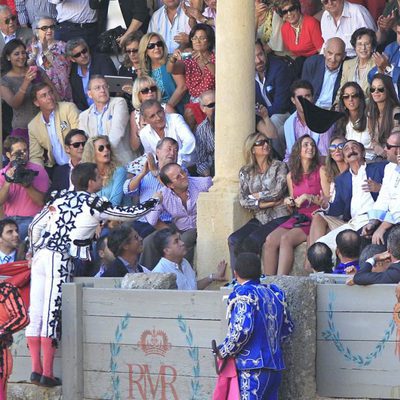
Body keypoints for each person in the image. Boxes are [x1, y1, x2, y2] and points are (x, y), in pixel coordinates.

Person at [25, 162, 160, 387]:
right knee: (51, 311)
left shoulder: (58, 198)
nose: (102, 178)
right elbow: (127, 214)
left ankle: (35, 370)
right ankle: (46, 372)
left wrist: (34, 250)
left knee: (36, 312)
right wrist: (154, 200)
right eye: (99, 176)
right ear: (90, 182)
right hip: (59, 259)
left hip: (41, 258)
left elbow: (34, 227)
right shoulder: (93, 203)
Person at [216, 252, 293, 399]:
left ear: (235, 273)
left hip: (251, 368)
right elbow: (287, 328)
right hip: (275, 367)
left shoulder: (243, 295)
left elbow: (241, 330)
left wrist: (224, 351)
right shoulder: (274, 294)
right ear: (260, 272)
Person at [263, 135, 329, 275]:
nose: (310, 148)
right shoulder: (291, 176)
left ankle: (282, 281)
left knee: (286, 239)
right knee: (269, 240)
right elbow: (294, 204)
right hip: (299, 217)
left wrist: (308, 197)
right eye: (306, 145)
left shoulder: (321, 170)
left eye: (312, 145)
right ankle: (267, 283)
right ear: (298, 150)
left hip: (314, 217)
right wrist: (289, 202)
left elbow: (327, 201)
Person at [228, 133, 290, 270]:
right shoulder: (246, 171)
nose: (265, 145)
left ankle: (252, 279)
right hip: (260, 217)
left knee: (253, 241)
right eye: (260, 143)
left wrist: (256, 196)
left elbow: (277, 192)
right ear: (252, 149)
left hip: (279, 216)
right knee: (234, 240)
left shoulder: (279, 166)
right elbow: (243, 200)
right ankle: (237, 280)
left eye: (266, 141)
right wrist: (267, 203)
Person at [313, 140, 386, 253]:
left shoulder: (381, 168)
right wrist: (326, 205)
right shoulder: (341, 180)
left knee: (344, 245)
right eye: (346, 149)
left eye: (355, 147)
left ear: (363, 153)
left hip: (373, 220)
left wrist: (380, 188)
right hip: (352, 223)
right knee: (320, 247)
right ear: (345, 159)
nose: (351, 150)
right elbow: (339, 208)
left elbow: (395, 191)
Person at [143, 162, 212, 268]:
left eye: (183, 172)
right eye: (178, 177)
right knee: (149, 241)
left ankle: (182, 275)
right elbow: (152, 220)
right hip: (178, 227)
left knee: (184, 240)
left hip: (200, 226)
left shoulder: (203, 183)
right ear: (171, 185)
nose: (183, 176)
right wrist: (156, 201)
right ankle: (145, 277)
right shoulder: (163, 194)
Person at [0, 39, 56, 142]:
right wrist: (26, 82)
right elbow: (15, 104)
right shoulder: (5, 80)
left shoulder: (36, 70)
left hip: (48, 123)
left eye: (23, 53)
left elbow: (54, 92)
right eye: (16, 54)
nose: (21, 57)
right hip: (24, 128)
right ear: (8, 57)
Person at [123, 137, 179, 238]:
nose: (172, 153)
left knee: (147, 241)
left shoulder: (180, 171)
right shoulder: (147, 171)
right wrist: (142, 174)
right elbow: (127, 190)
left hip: (165, 222)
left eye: (176, 150)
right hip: (142, 221)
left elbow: (175, 189)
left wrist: (155, 172)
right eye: (169, 149)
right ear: (158, 152)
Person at [79, 75, 136, 165]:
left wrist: (102, 153)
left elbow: (117, 134)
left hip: (122, 161)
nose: (102, 90)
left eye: (105, 86)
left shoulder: (119, 103)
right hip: (97, 165)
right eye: (97, 88)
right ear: (90, 94)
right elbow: (86, 144)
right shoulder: (83, 116)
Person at [0, 136, 49, 239]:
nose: (23, 154)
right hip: (9, 220)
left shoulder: (37, 170)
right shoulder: (3, 173)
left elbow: (41, 202)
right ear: (9, 155)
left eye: (25, 150)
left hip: (32, 219)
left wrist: (27, 185)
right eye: (18, 152)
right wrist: (8, 182)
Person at [168, 23, 215, 129]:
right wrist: (173, 59)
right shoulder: (189, 59)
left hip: (213, 100)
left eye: (202, 38)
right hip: (195, 101)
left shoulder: (215, 58)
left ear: (209, 41)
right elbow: (171, 69)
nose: (197, 41)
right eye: (194, 38)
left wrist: (205, 61)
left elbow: (218, 74)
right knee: (189, 112)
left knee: (191, 111)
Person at [28, 82, 80, 173]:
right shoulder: (33, 126)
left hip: (79, 163)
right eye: (44, 95)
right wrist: (40, 175)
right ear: (36, 103)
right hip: (58, 168)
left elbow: (80, 138)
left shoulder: (68, 108)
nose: (50, 97)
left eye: (50, 92)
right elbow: (35, 156)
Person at [152, 227, 226, 290]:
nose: (182, 243)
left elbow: (192, 288)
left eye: (180, 239)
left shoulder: (184, 262)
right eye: (176, 241)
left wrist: (212, 277)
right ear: (167, 250)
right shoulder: (160, 273)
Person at [254, 39, 293, 158]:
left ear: (265, 52)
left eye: (260, 54)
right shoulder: (245, 73)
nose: (258, 60)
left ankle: (278, 160)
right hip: (262, 114)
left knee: (273, 122)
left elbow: (281, 105)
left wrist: (261, 114)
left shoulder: (279, 68)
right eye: (253, 57)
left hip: (285, 113)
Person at [361, 131, 400, 245]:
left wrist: (382, 227)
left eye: (388, 146)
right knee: (361, 238)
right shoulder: (389, 167)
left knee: (376, 245)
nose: (384, 149)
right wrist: (373, 223)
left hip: (396, 222)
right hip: (391, 220)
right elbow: (384, 197)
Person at [283, 79, 333, 162]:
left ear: (312, 98)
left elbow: (324, 156)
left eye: (307, 96)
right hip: (298, 167)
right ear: (293, 100)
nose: (304, 100)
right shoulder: (289, 123)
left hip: (320, 167)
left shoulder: (324, 120)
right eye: (300, 97)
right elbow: (289, 154)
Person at [138, 32, 187, 114]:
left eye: (159, 44)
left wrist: (165, 109)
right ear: (145, 51)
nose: (156, 47)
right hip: (156, 110)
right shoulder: (146, 70)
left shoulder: (171, 61)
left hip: (177, 107)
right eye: (151, 46)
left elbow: (182, 87)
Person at [26, 16, 72, 101]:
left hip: (60, 94)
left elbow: (63, 71)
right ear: (36, 31)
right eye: (45, 28)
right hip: (38, 95)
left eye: (52, 27)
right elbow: (23, 68)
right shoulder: (31, 48)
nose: (49, 30)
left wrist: (46, 51)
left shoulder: (63, 46)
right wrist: (34, 54)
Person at [139, 99, 196, 167]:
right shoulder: (144, 134)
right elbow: (152, 156)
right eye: (152, 116)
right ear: (145, 120)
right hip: (164, 171)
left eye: (159, 112)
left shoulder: (176, 119)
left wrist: (177, 163)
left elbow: (190, 141)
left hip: (188, 166)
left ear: (163, 110)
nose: (158, 118)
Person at [66, 38, 117, 111]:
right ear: (72, 59)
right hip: (88, 113)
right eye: (77, 55)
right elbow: (78, 100)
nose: (83, 56)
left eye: (84, 51)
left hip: (109, 108)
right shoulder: (73, 72)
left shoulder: (102, 60)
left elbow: (111, 88)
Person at [81, 135, 127, 207]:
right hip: (97, 216)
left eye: (108, 147)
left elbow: (115, 203)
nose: (106, 150)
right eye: (101, 148)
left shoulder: (119, 171)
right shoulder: (88, 174)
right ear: (92, 153)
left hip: (119, 215)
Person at [301, 37, 345, 109]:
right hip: (312, 106)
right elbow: (303, 89)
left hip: (333, 110)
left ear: (344, 56)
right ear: (324, 52)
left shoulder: (348, 67)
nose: (333, 59)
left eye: (338, 55)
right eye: (330, 53)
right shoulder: (311, 63)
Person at [130, 75, 170, 152]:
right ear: (138, 94)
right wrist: (140, 133)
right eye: (145, 90)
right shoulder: (135, 115)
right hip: (151, 154)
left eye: (153, 89)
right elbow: (134, 147)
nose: (150, 92)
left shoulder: (166, 108)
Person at [336, 28, 376, 102]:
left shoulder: (377, 64)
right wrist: (336, 105)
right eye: (359, 44)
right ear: (354, 46)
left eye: (367, 44)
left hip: (368, 109)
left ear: (372, 47)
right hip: (348, 107)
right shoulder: (347, 64)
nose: (363, 48)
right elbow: (341, 91)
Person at [335, 82, 373, 160]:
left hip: (370, 160)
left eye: (354, 96)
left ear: (360, 98)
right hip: (350, 161)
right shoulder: (342, 120)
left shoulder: (369, 117)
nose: (350, 99)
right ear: (343, 100)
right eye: (346, 96)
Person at [367, 74, 400, 160]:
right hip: (378, 157)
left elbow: (396, 140)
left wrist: (384, 152)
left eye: (380, 89)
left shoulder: (396, 113)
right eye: (373, 89)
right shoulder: (371, 114)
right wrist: (376, 147)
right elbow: (372, 139)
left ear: (388, 90)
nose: (376, 92)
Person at [195, 89, 215, 176]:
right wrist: (208, 177)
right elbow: (201, 161)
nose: (217, 107)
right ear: (203, 108)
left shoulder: (233, 122)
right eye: (212, 105)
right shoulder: (201, 130)